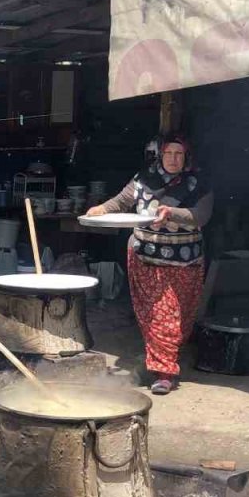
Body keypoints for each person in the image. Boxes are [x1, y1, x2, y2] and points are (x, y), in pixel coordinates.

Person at [85, 133, 213, 394]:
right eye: (169, 153)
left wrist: (171, 213)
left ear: (186, 157)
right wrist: (102, 209)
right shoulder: (143, 180)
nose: (173, 159)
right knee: (159, 317)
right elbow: (121, 201)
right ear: (160, 155)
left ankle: (157, 361)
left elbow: (201, 216)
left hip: (185, 263)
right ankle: (164, 373)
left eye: (179, 154)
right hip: (146, 259)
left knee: (181, 320)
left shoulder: (199, 184)